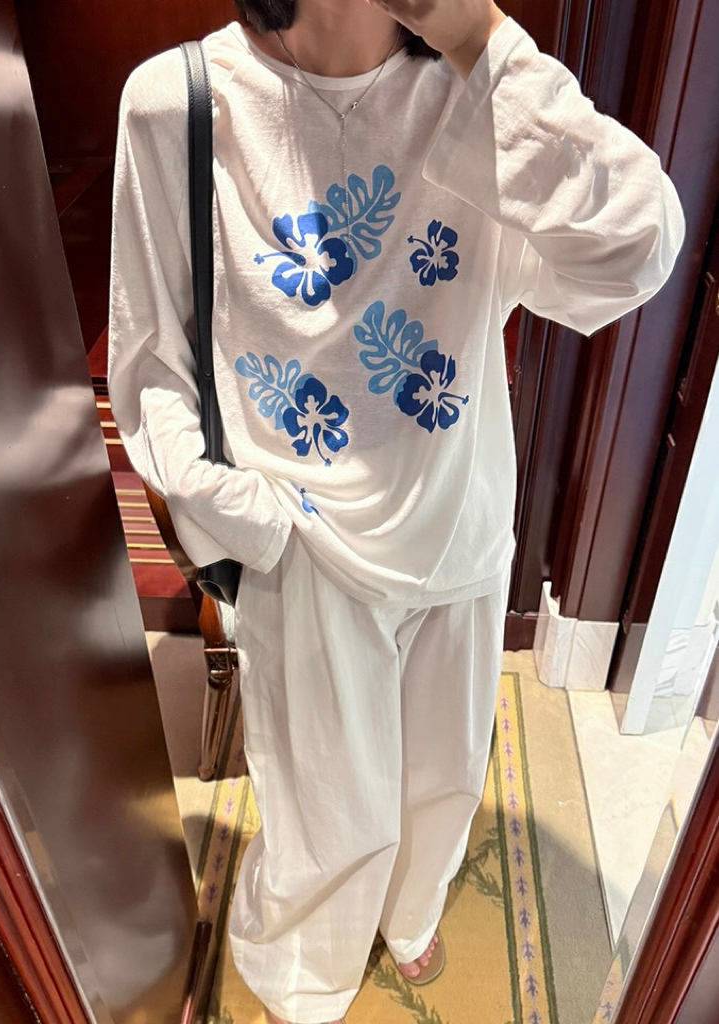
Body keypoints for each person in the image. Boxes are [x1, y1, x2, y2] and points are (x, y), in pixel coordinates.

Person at [107, 1, 686, 1021]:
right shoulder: (178, 103)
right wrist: (242, 517)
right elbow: (151, 357)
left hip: (460, 517)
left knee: (445, 769)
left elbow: (636, 248)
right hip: (301, 544)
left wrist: (483, 43)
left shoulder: (484, 96)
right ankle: (306, 968)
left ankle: (410, 912)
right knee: (325, 804)